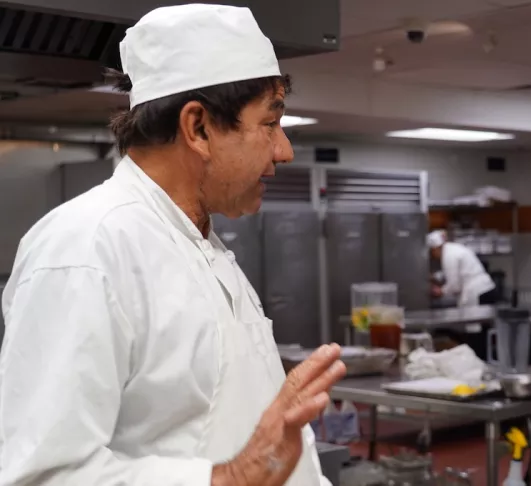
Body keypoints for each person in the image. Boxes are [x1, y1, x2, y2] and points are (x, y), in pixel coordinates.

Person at [0, 5, 345, 486]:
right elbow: (41, 475)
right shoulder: (87, 249)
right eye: (270, 123)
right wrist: (232, 478)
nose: (284, 150)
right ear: (199, 127)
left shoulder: (206, 249)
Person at [426, 230, 499, 306]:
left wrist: (441, 291)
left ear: (435, 249)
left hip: (478, 293)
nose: (433, 257)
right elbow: (451, 272)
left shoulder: (448, 256)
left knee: (479, 317)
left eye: (431, 253)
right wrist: (435, 277)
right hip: (486, 289)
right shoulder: (452, 249)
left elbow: (455, 286)